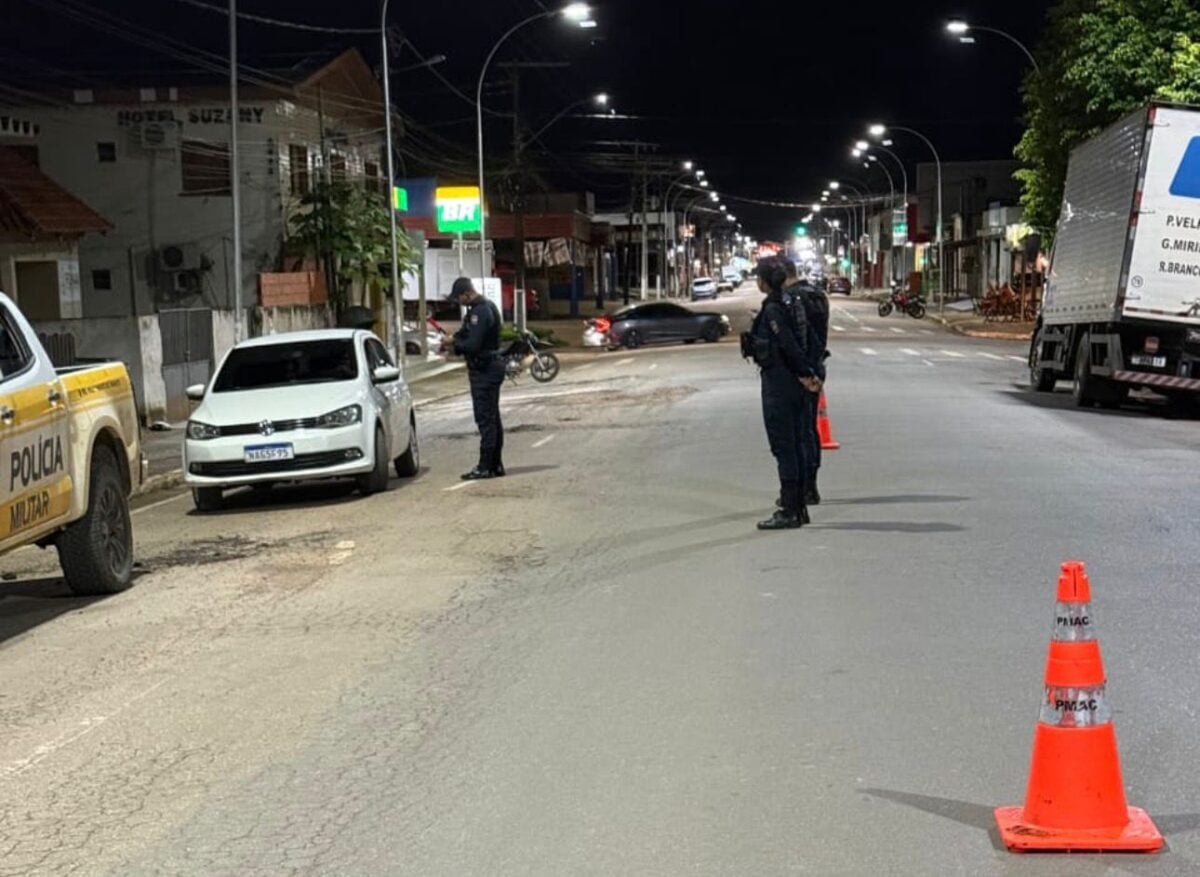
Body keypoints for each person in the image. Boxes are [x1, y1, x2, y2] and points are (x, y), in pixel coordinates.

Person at [745, 258, 821, 530]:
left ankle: (790, 509)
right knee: (797, 444)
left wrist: (805, 373)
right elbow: (810, 339)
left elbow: (788, 344)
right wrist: (812, 371)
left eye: (759, 277)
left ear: (765, 282)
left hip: (781, 384)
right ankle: (799, 507)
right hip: (795, 383)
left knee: (784, 446)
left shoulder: (775, 308)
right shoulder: (792, 302)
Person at [447, 277, 506, 480]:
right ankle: (495, 464)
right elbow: (465, 335)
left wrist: (454, 344)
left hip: (485, 369)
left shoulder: (480, 311)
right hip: (489, 367)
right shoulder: (482, 308)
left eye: (459, 298)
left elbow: (473, 344)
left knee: (485, 418)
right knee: (492, 417)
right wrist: (454, 340)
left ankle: (485, 466)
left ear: (466, 293)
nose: (458, 302)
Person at [783, 261, 830, 504]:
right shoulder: (817, 295)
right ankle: (811, 484)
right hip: (818, 365)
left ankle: (802, 488)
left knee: (797, 432)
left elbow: (795, 339)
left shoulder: (791, 298)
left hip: (799, 372)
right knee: (809, 429)